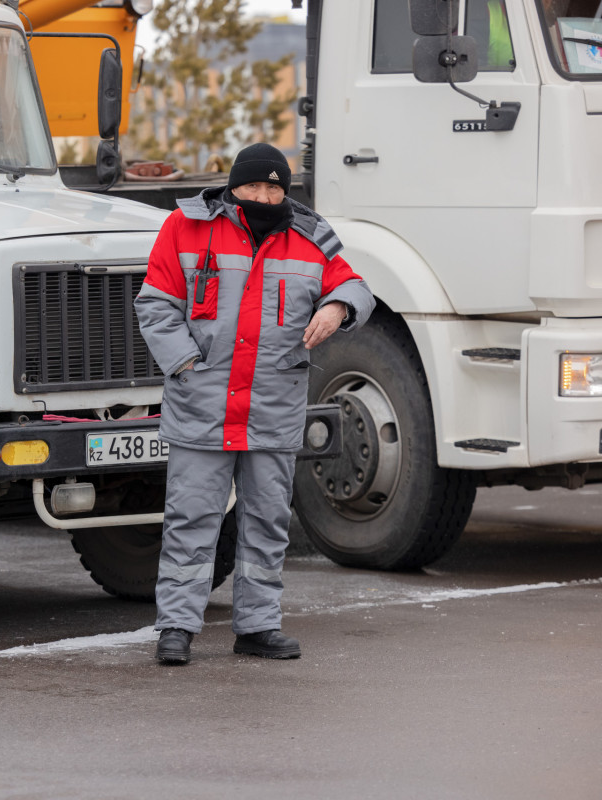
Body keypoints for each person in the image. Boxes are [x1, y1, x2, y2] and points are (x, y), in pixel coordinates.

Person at [135, 143, 375, 665]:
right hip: (204, 404)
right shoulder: (186, 227)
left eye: (274, 188)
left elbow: (357, 287)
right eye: (253, 187)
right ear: (232, 188)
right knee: (191, 520)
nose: (264, 196)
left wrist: (337, 306)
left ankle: (258, 626)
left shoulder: (312, 238)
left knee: (267, 523)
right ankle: (176, 626)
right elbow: (155, 305)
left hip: (272, 408)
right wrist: (185, 367)